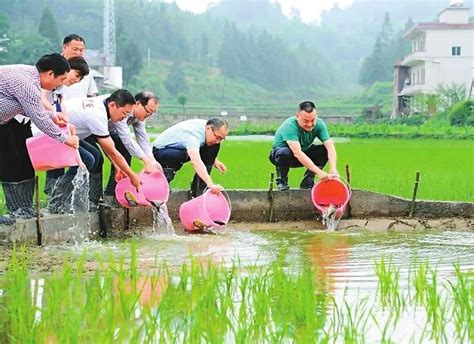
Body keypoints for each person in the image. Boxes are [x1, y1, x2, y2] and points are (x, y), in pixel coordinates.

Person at [0, 53, 79, 225]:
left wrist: (52, 115)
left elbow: (26, 108)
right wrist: (65, 139)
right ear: (50, 73)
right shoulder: (27, 85)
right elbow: (39, 119)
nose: (59, 85)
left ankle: (22, 207)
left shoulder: (28, 76)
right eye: (61, 79)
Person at [49, 89, 141, 211]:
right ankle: (57, 202)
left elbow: (108, 149)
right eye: (124, 113)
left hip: (68, 134)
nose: (124, 118)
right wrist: (131, 175)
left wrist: (118, 167)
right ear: (113, 105)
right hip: (50, 134)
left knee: (95, 157)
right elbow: (111, 150)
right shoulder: (97, 115)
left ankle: (71, 200)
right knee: (87, 159)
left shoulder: (103, 104)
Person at [269, 100, 338, 191]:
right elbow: (297, 153)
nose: (309, 124)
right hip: (282, 156)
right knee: (284, 152)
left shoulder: (319, 124)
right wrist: (319, 172)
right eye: (305, 121)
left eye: (313, 120)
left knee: (324, 149)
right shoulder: (289, 126)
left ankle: (308, 181)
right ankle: (282, 181)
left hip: (304, 154)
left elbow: (330, 146)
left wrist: (333, 168)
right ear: (297, 117)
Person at [104, 91, 162, 197]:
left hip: (108, 132)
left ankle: (113, 193)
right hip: (95, 131)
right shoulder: (124, 110)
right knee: (96, 159)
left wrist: (152, 161)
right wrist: (145, 161)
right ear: (138, 104)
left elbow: (143, 138)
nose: (149, 115)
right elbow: (127, 138)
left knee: (124, 155)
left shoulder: (139, 117)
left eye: (152, 113)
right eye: (148, 111)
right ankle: (105, 196)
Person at [152, 118, 228, 197]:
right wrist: (210, 184)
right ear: (208, 128)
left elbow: (203, 147)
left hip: (178, 149)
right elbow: (196, 161)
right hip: (160, 151)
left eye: (221, 139)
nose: (218, 141)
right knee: (179, 155)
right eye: (217, 137)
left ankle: (199, 192)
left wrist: (213, 160)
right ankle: (161, 182)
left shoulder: (208, 128)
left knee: (214, 146)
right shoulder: (193, 136)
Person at [60, 34, 98, 99]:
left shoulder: (86, 69)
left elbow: (91, 94)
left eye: (81, 50)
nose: (78, 53)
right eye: (75, 49)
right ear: (64, 47)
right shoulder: (54, 65)